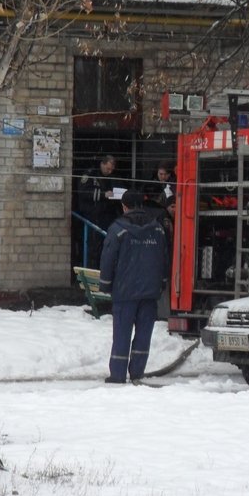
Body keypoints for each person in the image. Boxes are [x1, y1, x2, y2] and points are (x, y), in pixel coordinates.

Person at [99, 190, 170, 384]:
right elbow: (164, 259)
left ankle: (118, 375)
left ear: (124, 206)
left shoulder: (118, 228)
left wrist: (105, 285)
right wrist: (162, 283)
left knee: (122, 332)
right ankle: (137, 373)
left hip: (124, 291)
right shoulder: (157, 229)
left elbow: (108, 258)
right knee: (143, 334)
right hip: (150, 291)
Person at [77, 154, 122, 230]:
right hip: (91, 214)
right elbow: (83, 192)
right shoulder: (90, 174)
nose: (110, 172)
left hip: (106, 213)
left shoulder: (111, 176)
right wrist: (103, 194)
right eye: (108, 169)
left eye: (111, 170)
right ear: (102, 164)